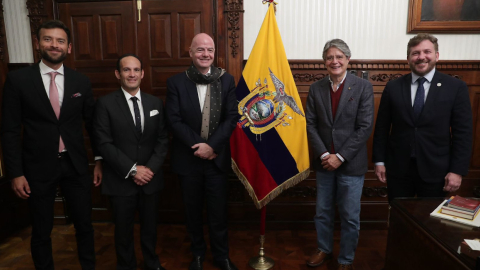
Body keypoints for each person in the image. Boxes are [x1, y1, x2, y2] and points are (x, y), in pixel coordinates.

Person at [0, 20, 99, 270]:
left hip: (75, 165)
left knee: (85, 225)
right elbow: (10, 130)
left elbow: (93, 125)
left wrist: (99, 160)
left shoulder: (81, 82)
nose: (54, 45)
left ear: (69, 47)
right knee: (41, 230)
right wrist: (16, 173)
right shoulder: (18, 80)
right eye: (48, 39)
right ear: (37, 43)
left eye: (60, 41)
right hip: (36, 168)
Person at [165, 33, 238, 270]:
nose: (205, 54)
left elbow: (232, 117)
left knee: (218, 214)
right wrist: (200, 147)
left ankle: (222, 256)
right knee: (192, 212)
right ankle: (197, 254)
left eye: (209, 50)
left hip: (216, 159)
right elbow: (174, 120)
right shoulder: (176, 82)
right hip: (188, 159)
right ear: (190, 52)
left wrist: (212, 146)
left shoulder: (226, 80)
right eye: (200, 50)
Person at [372, 33, 472, 202]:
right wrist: (379, 162)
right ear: (408, 58)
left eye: (427, 52)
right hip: (398, 169)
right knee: (400, 218)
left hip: (437, 169)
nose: (421, 57)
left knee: (430, 221)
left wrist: (457, 170)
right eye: (415, 53)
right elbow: (382, 128)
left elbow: (463, 133)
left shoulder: (455, 87)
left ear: (437, 56)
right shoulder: (393, 87)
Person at [93, 54, 168, 270]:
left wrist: (149, 169)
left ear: (143, 74)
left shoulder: (155, 103)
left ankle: (152, 262)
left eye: (136, 70)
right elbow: (104, 143)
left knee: (150, 228)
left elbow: (163, 139)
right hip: (120, 179)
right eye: (126, 70)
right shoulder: (105, 104)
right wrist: (133, 170)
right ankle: (126, 266)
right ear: (118, 74)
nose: (132, 74)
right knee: (123, 230)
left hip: (150, 179)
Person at [305, 39, 374, 270]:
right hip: (324, 163)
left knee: (350, 216)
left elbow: (364, 127)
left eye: (339, 57)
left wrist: (340, 156)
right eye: (329, 57)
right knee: (322, 212)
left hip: (351, 164)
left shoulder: (363, 87)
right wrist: (325, 154)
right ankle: (324, 249)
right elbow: (311, 124)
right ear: (324, 62)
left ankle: (346, 258)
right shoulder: (316, 88)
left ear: (348, 60)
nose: (334, 61)